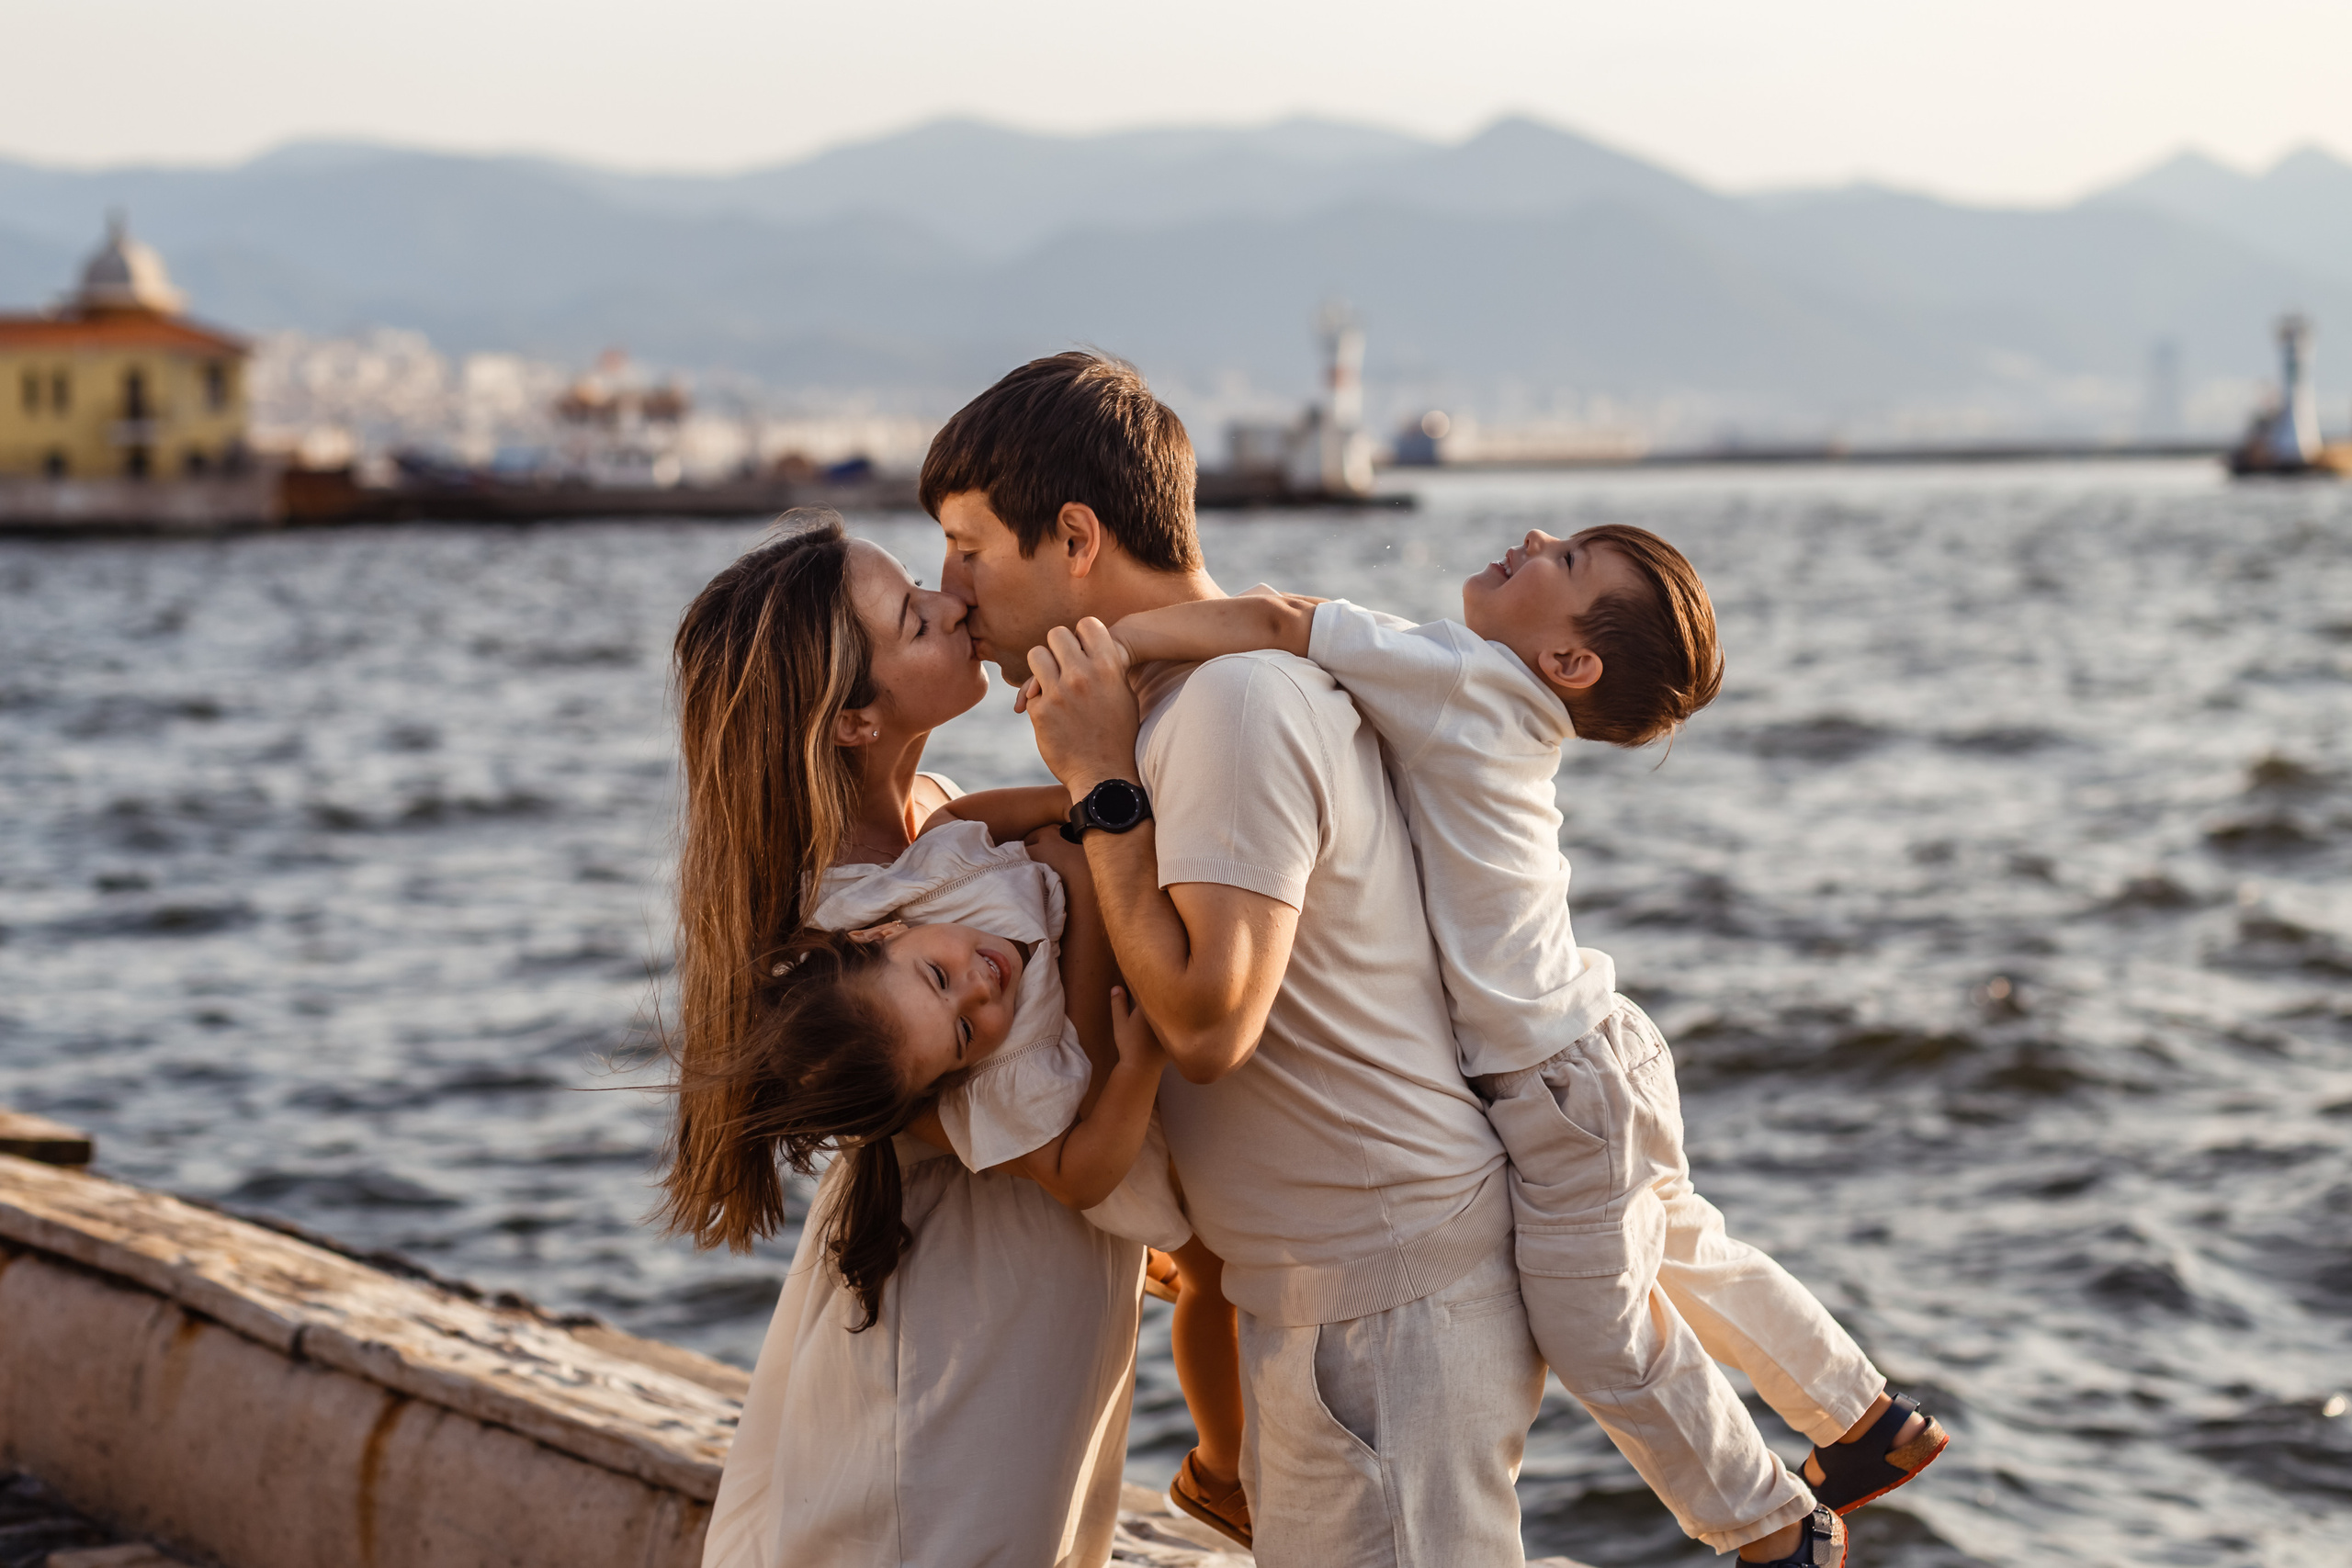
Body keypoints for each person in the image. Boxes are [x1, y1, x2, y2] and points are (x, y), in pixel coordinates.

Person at [1056, 524, 1951, 1564]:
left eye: (1564, 562)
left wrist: (1100, 653)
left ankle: (1771, 1528)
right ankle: (1865, 1418)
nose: (1533, 537)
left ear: (1569, 664)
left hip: (1559, 1081)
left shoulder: (1463, 681)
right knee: (1683, 1251)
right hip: (1588, 1055)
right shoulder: (1491, 700)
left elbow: (1271, 617)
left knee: (1599, 1334)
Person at [923, 353, 1550, 1568]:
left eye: (969, 549)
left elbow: (1211, 1024)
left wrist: (1097, 780)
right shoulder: (1172, 704)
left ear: (1074, 535)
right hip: (1337, 1294)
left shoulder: (1232, 705)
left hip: (1383, 1309)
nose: (947, 593)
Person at [663, 514, 1177, 1568]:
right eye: (913, 617)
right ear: (853, 719)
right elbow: (1069, 1087)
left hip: (1036, 1279)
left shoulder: (935, 829)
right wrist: (1085, 853)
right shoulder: (844, 926)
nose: (951, 601)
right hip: (961, 1315)